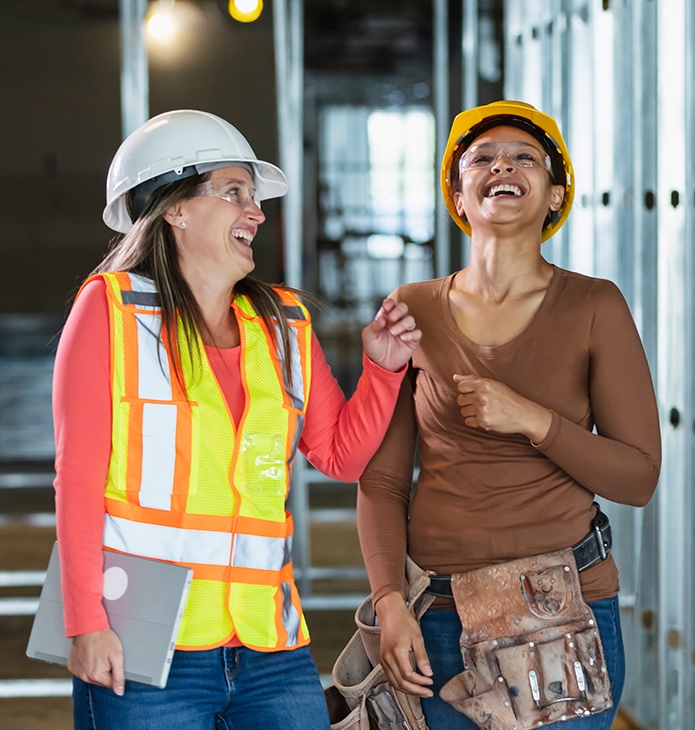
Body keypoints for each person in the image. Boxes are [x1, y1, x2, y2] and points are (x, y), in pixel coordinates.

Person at [52, 109, 422, 730]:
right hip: (144, 640)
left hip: (268, 646)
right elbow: (79, 480)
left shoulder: (281, 324)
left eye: (254, 196)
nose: (256, 211)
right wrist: (85, 623)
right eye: (234, 193)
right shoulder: (111, 311)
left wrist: (382, 370)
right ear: (175, 208)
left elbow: (340, 454)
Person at [357, 100, 661, 730]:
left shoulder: (594, 306)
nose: (504, 166)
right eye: (483, 158)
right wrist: (390, 601)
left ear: (554, 195)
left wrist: (533, 419)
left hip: (562, 611)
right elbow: (383, 481)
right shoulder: (412, 309)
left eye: (526, 158)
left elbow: (638, 477)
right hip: (437, 614)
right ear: (459, 195)